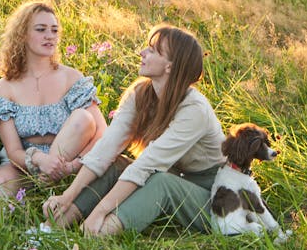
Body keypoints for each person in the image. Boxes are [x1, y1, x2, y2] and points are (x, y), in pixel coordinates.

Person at [42, 24, 225, 237]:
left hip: (215, 196)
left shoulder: (195, 110)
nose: (142, 53)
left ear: (170, 67)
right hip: (175, 175)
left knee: (160, 182)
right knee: (118, 164)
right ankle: (52, 227)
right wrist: (67, 195)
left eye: (153, 51)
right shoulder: (140, 94)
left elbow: (148, 164)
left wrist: (101, 212)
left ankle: (91, 238)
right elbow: (105, 149)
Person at [0, 1, 107, 219]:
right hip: (26, 163)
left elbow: (102, 133)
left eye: (54, 30)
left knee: (82, 117)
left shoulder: (71, 78)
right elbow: (13, 151)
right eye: (41, 29)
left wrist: (71, 167)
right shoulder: (5, 87)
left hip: (69, 163)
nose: (50, 36)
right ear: (22, 35)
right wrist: (39, 160)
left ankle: (51, 193)